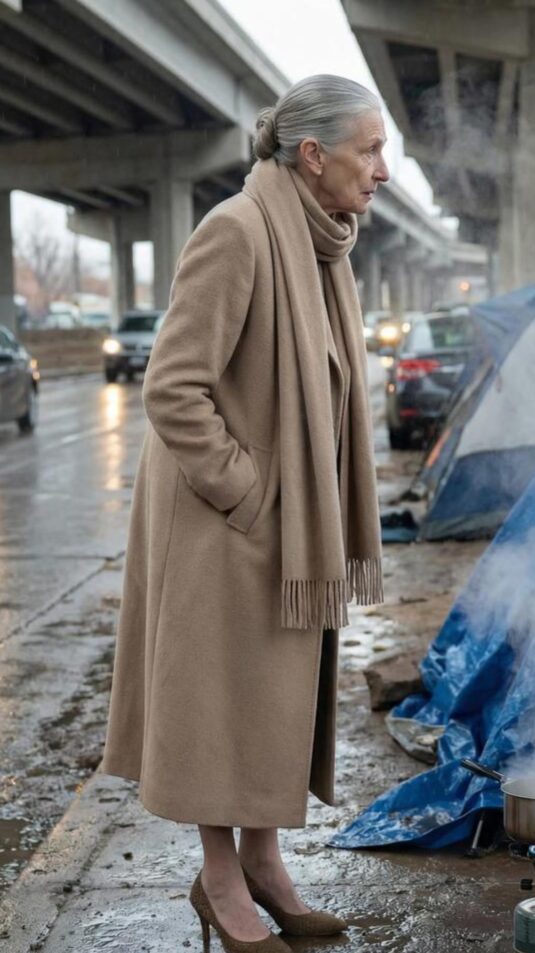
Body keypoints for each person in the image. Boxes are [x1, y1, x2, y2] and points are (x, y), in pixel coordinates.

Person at [101, 75, 388, 952]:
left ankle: (265, 864)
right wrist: (249, 489)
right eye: (369, 151)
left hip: (286, 524)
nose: (382, 171)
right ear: (313, 155)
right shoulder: (237, 232)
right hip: (224, 526)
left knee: (274, 702)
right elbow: (172, 386)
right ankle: (220, 879)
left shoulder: (323, 245)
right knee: (221, 707)